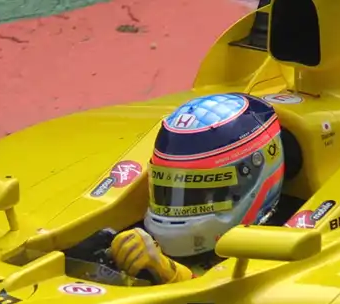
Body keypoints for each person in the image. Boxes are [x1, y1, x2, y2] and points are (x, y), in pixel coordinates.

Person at [109, 92, 289, 284]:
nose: (178, 206)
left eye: (200, 193)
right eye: (169, 190)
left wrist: (172, 275)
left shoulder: (294, 247)